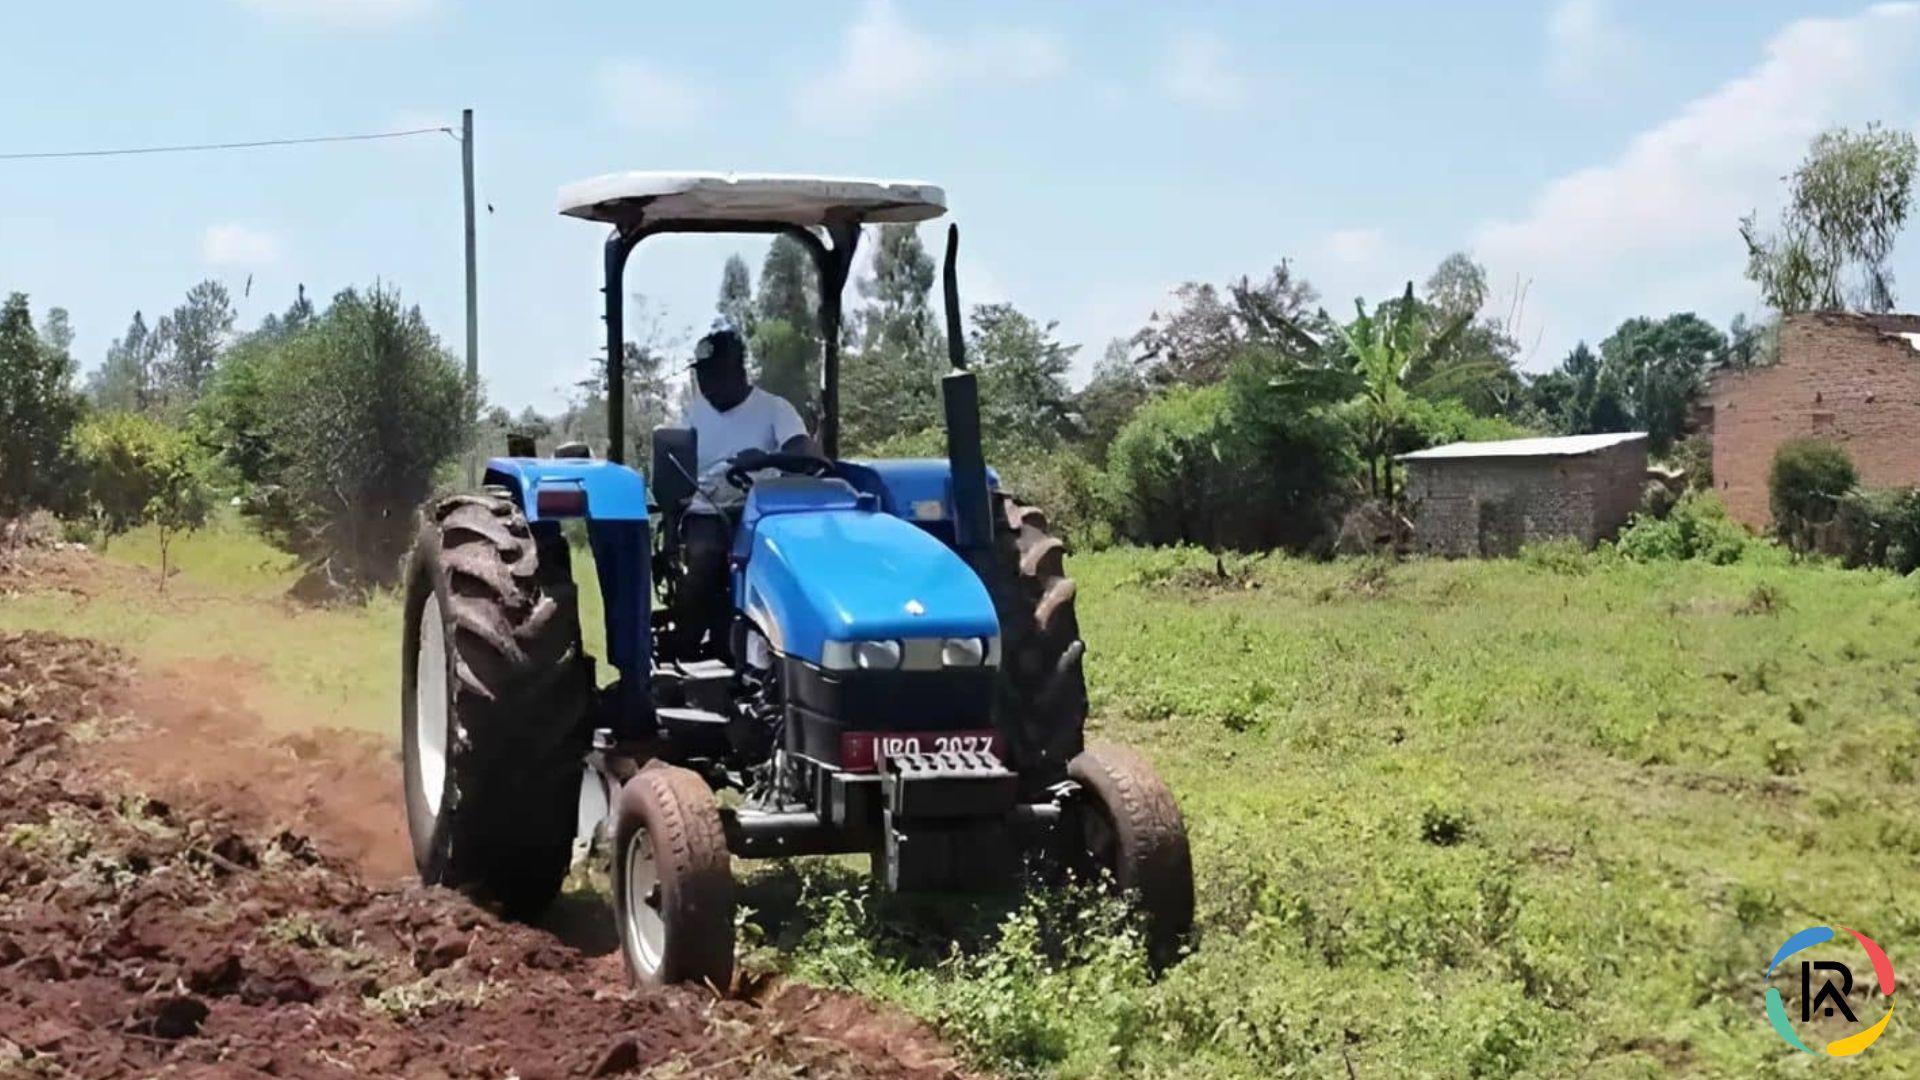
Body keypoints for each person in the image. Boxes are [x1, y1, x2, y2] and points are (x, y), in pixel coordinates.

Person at [676, 323, 817, 656]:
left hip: (763, 510)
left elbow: (804, 454)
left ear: (738, 370)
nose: (707, 382)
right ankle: (685, 644)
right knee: (705, 556)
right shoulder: (691, 416)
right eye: (703, 374)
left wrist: (765, 459)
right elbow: (675, 468)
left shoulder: (773, 409)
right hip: (707, 510)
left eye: (716, 372)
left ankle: (780, 644)